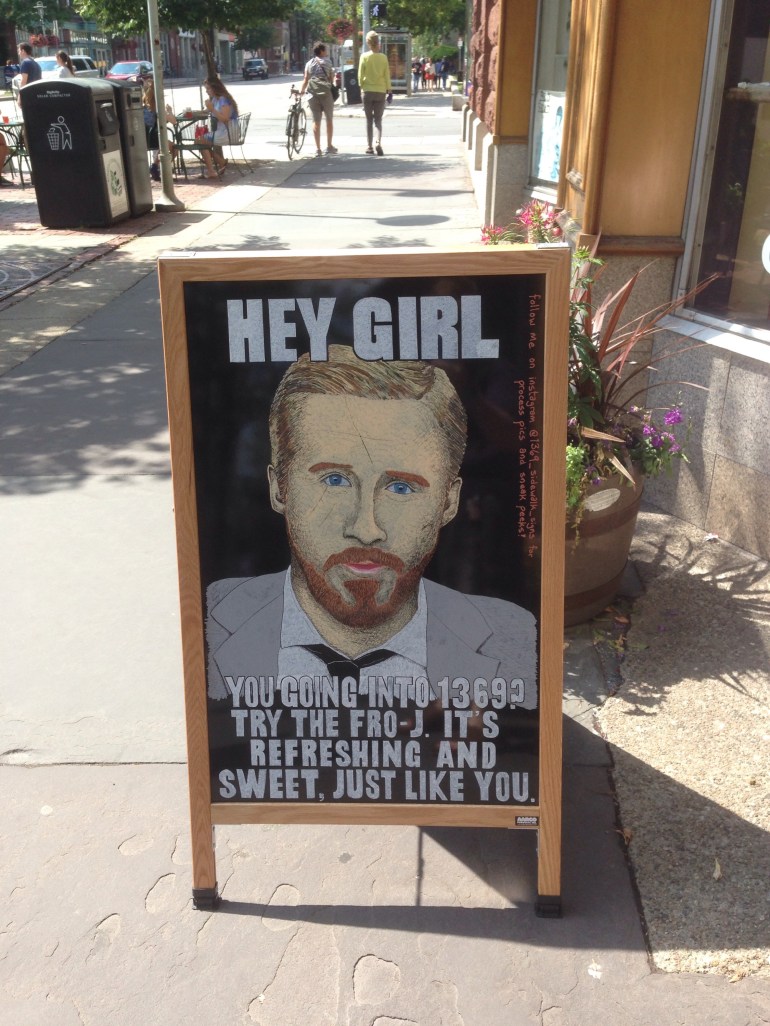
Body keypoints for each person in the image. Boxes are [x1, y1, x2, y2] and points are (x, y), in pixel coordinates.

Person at [205, 345, 537, 710]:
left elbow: (515, 439)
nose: (367, 529)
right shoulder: (219, 628)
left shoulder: (510, 632)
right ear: (279, 487)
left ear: (448, 501)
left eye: (400, 487)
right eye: (334, 481)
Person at [299, 41, 336, 157]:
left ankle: (318, 149)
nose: (327, 52)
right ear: (321, 51)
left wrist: (302, 91)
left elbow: (306, 79)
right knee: (329, 119)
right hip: (326, 93)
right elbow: (331, 79)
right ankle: (329, 146)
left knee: (316, 120)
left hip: (312, 93)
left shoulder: (309, 63)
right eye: (325, 50)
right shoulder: (328, 62)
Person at [358, 30, 391, 156]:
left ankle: (369, 146)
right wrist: (389, 90)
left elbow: (360, 75)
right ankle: (378, 142)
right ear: (378, 43)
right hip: (380, 91)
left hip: (367, 91)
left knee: (368, 120)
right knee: (378, 120)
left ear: (368, 43)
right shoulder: (383, 58)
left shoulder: (364, 57)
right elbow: (387, 75)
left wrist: (361, 86)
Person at [200, 76, 238, 178]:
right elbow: (207, 111)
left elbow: (225, 119)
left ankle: (213, 169)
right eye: (206, 89)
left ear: (215, 88)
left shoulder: (223, 99)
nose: (207, 91)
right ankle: (220, 163)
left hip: (228, 132)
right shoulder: (215, 99)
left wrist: (212, 109)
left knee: (200, 141)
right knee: (199, 141)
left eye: (208, 89)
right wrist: (193, 112)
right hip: (221, 131)